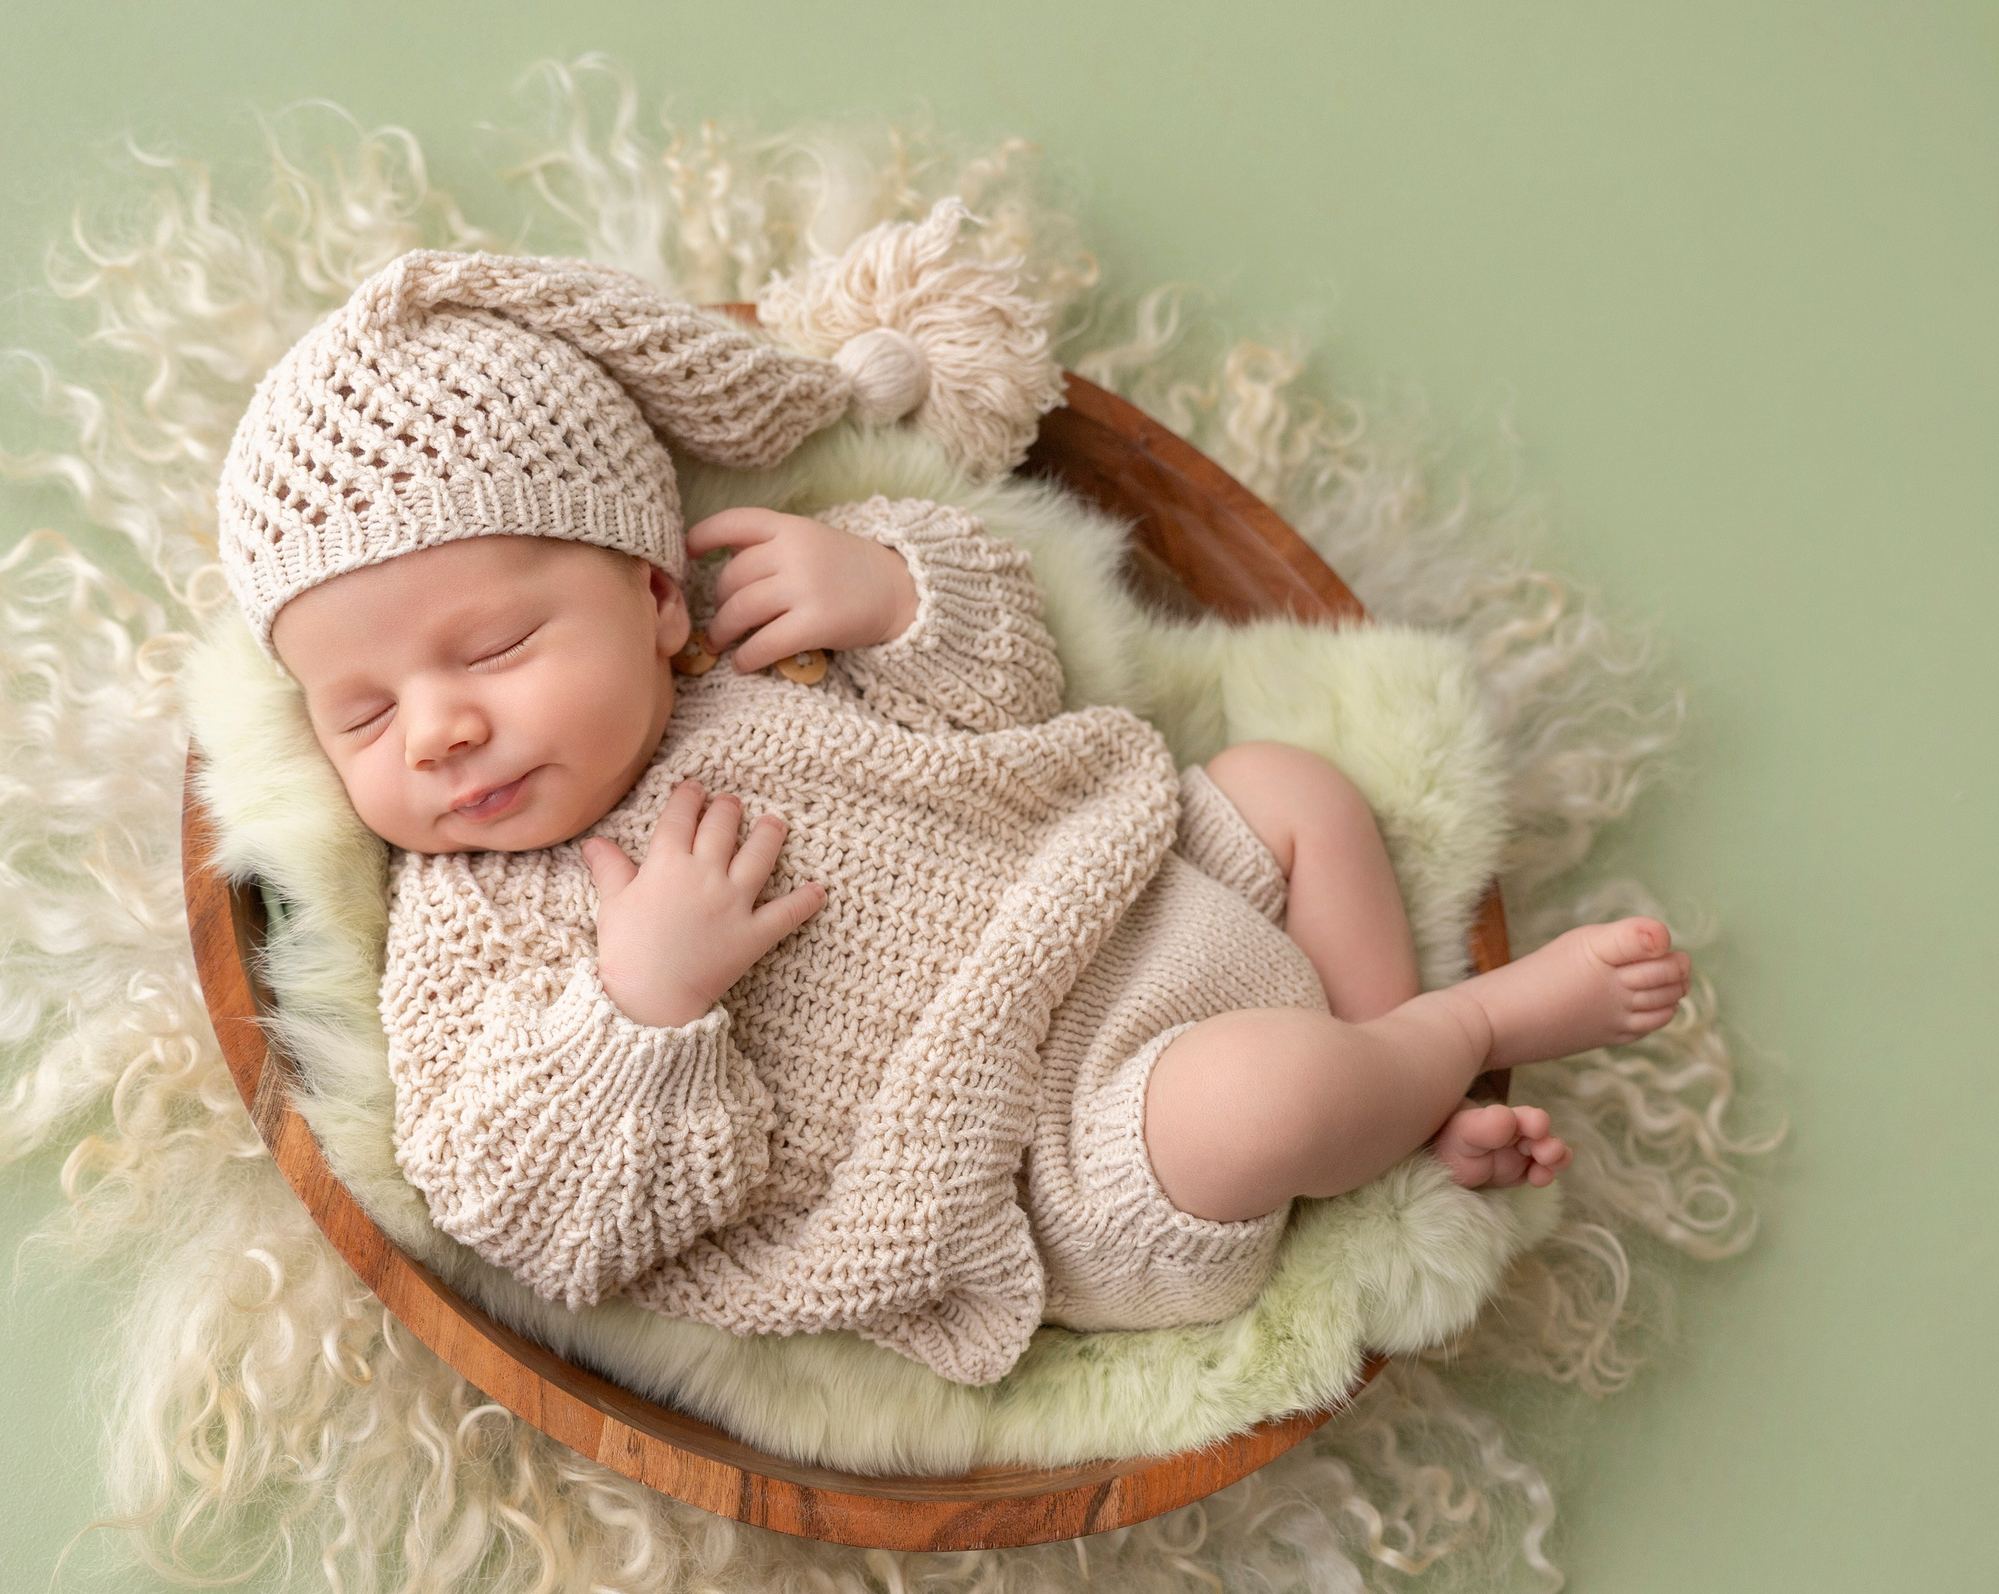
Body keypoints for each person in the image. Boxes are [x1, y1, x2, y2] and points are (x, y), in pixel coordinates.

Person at [216, 223, 1689, 1384]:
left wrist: (897, 593)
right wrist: (640, 1002)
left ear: (657, 591)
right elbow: (531, 1207)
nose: (441, 725)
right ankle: (1470, 1037)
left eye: (494, 647)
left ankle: (1392, 1094)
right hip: (1051, 1157)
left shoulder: (763, 639)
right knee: (1267, 1095)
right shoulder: (471, 931)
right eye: (363, 713)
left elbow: (1005, 687)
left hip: (1139, 898)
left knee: (1293, 788)